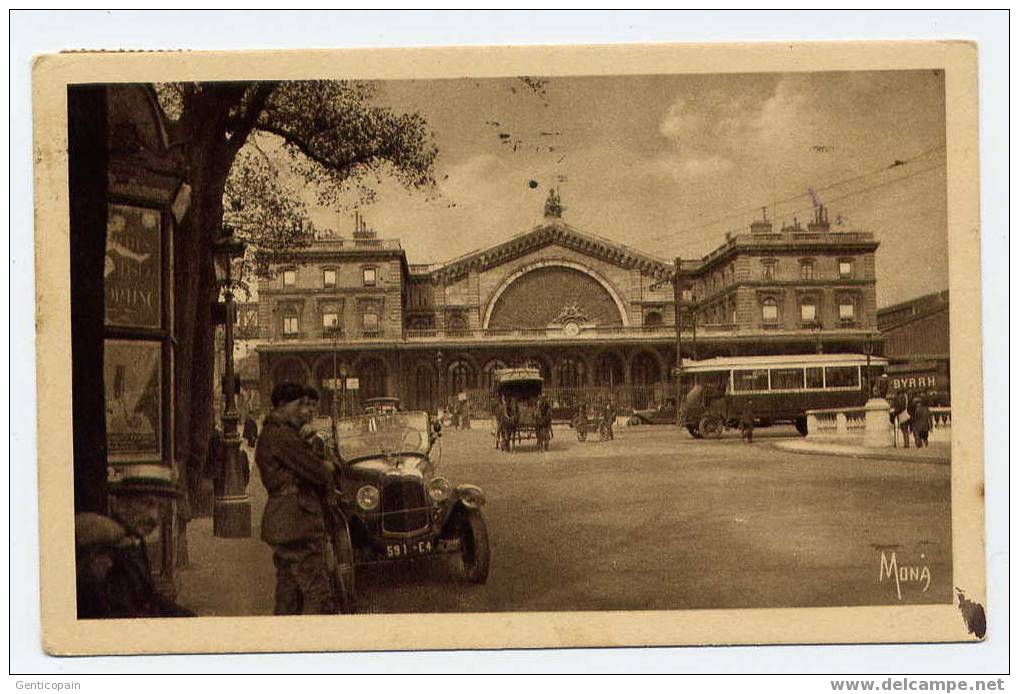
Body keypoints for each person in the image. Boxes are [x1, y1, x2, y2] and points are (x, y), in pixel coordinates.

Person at [256, 382, 337, 615]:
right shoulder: (281, 435)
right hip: (297, 522)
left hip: (286, 522)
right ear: (282, 405)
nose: (304, 410)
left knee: (289, 593)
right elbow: (319, 473)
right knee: (317, 593)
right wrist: (327, 466)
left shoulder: (278, 433)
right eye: (298, 404)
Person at [75, 473, 194, 619]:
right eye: (147, 504)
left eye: (161, 507)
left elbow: (149, 598)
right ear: (121, 504)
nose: (154, 516)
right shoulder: (106, 549)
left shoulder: (134, 541)